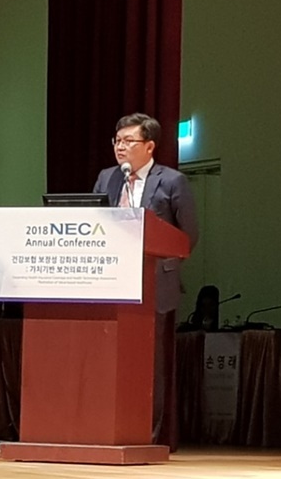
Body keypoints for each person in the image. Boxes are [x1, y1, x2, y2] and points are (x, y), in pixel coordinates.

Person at [93, 112, 199, 448]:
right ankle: (105, 429)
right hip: (110, 281)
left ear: (149, 146)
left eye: (128, 141)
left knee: (149, 363)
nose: (120, 147)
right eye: (117, 141)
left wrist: (161, 259)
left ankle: (146, 435)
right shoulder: (107, 178)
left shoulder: (172, 181)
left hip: (154, 283)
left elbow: (187, 236)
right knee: (109, 359)